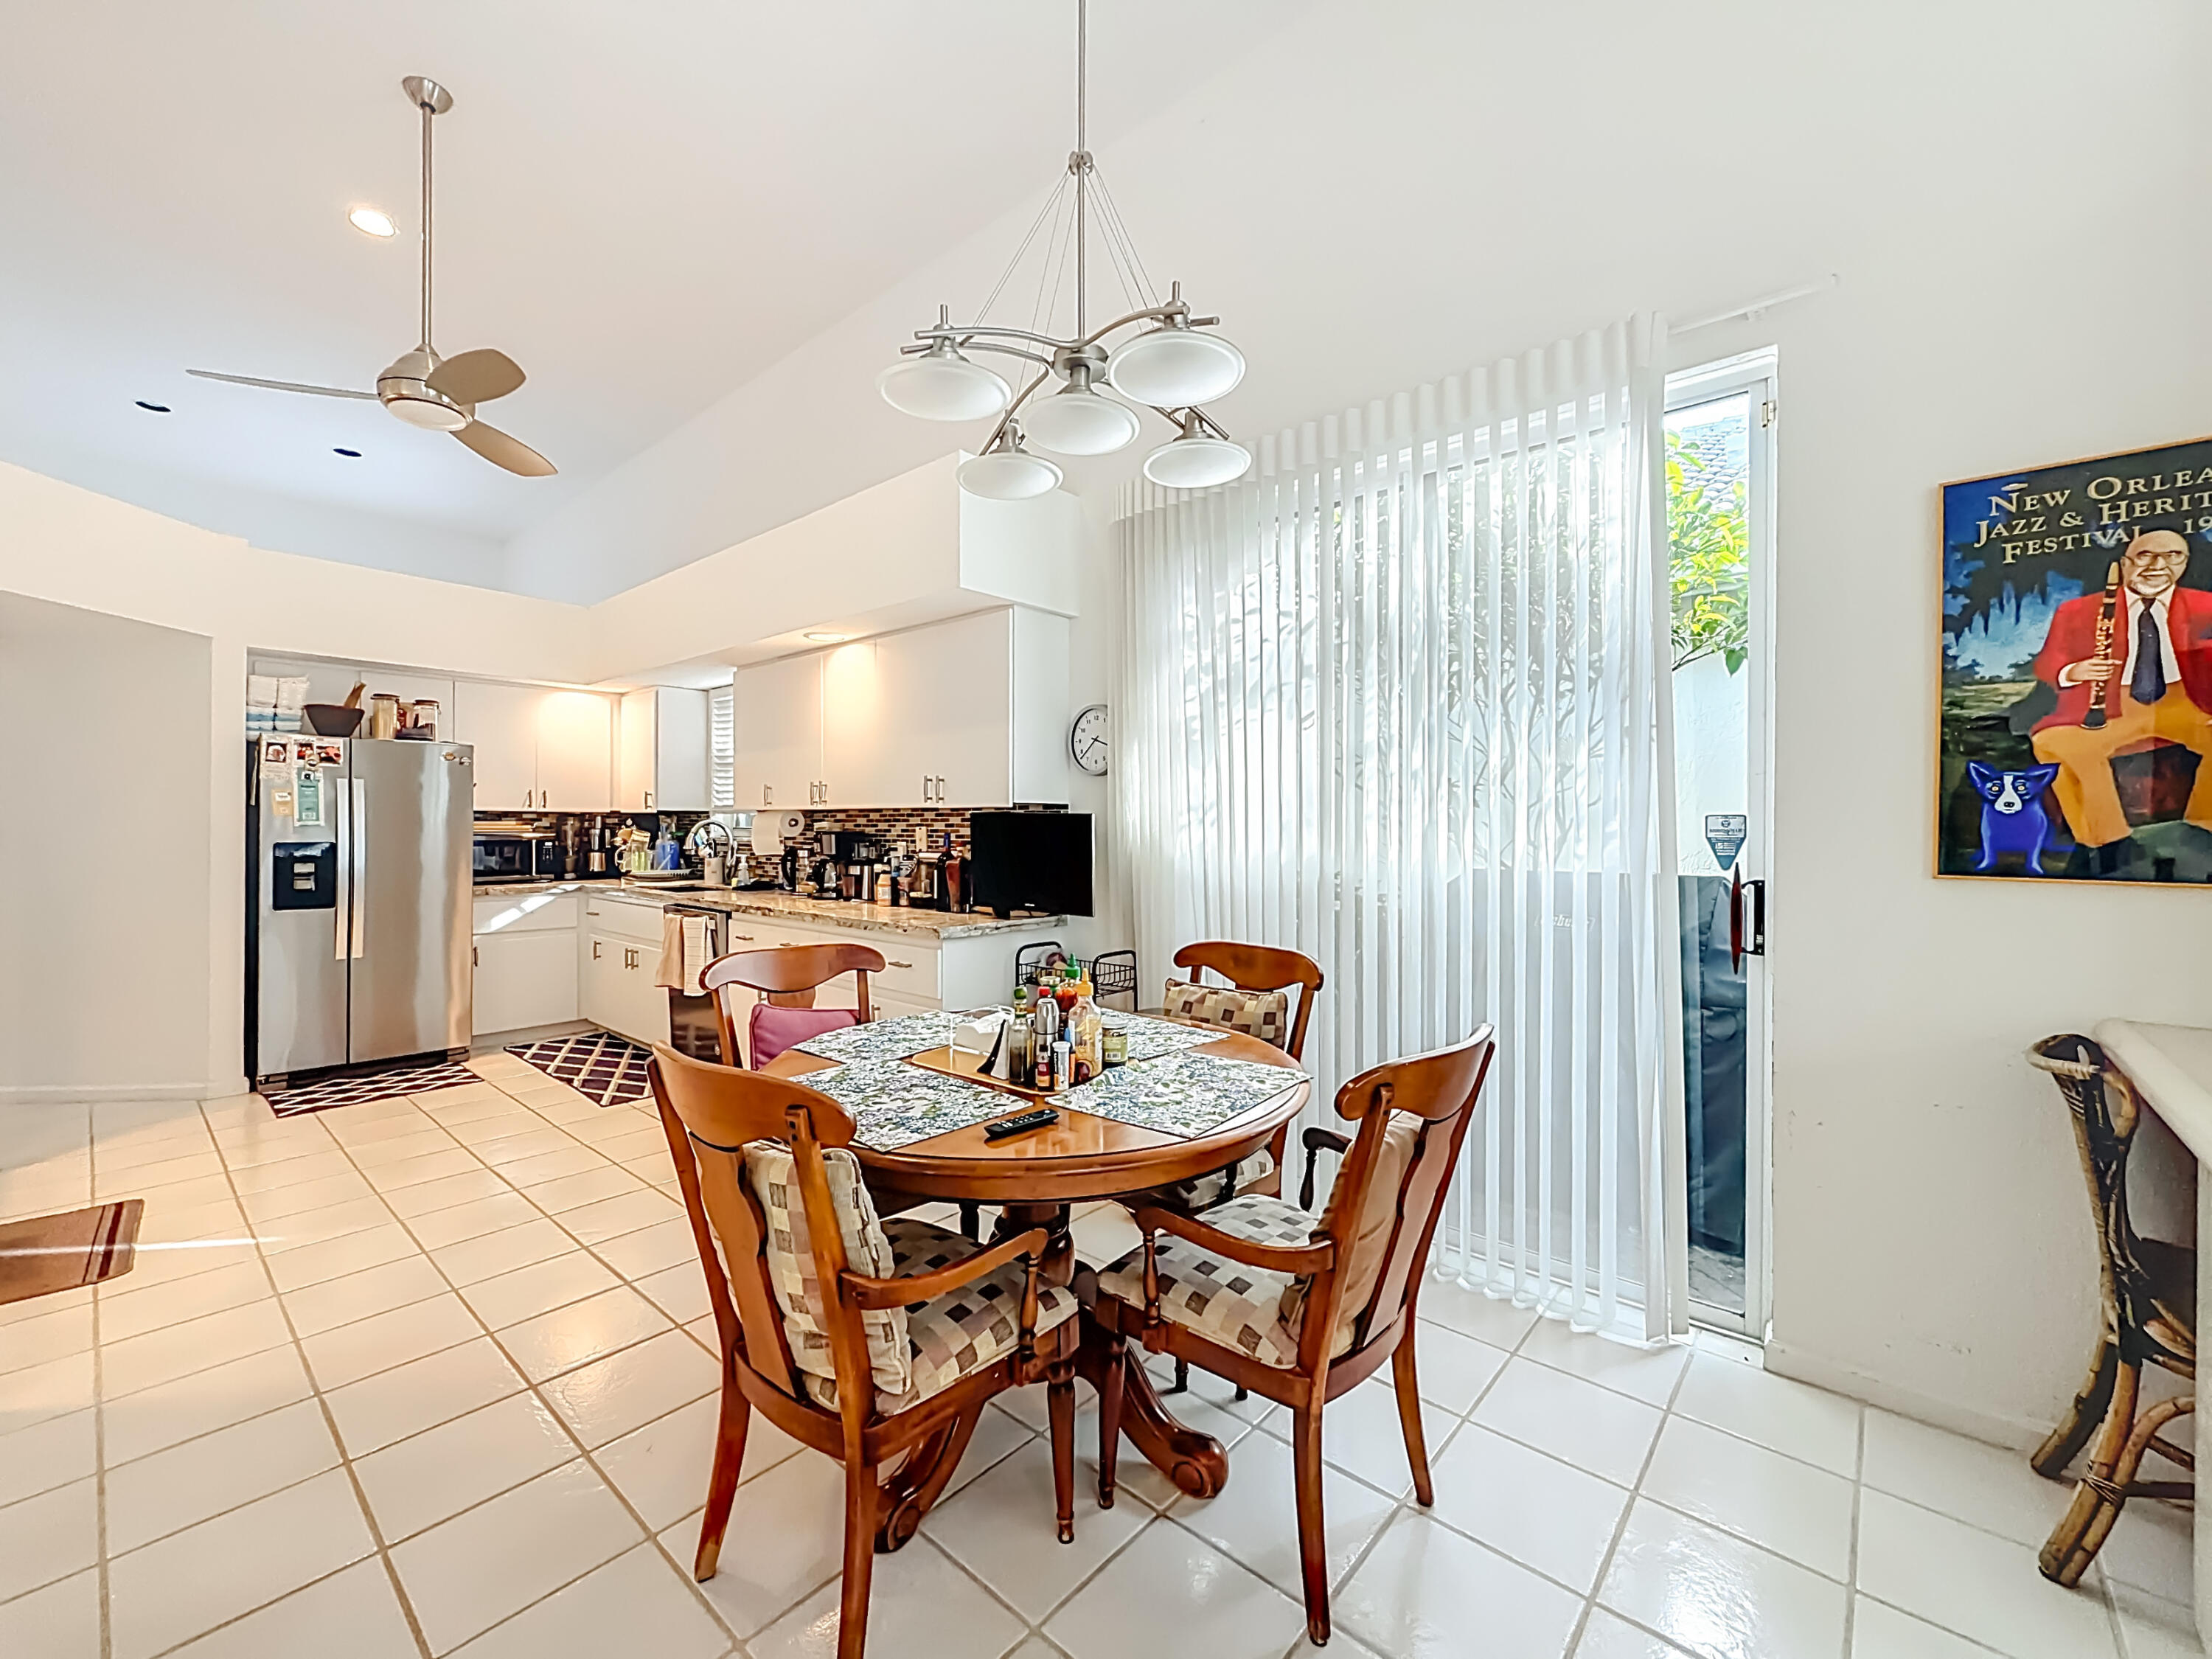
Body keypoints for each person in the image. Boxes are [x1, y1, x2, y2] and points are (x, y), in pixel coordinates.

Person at [2030, 528, 2212, 848]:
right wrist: (2075, 670)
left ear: (2185, 564)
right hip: (2113, 705)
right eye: (2146, 555)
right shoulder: (2077, 611)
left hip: (2187, 701)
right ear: (2125, 564)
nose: (2158, 565)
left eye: (2172, 557)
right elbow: (2047, 663)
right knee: (2054, 744)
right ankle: (2107, 842)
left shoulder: (2206, 606)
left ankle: (2203, 827)